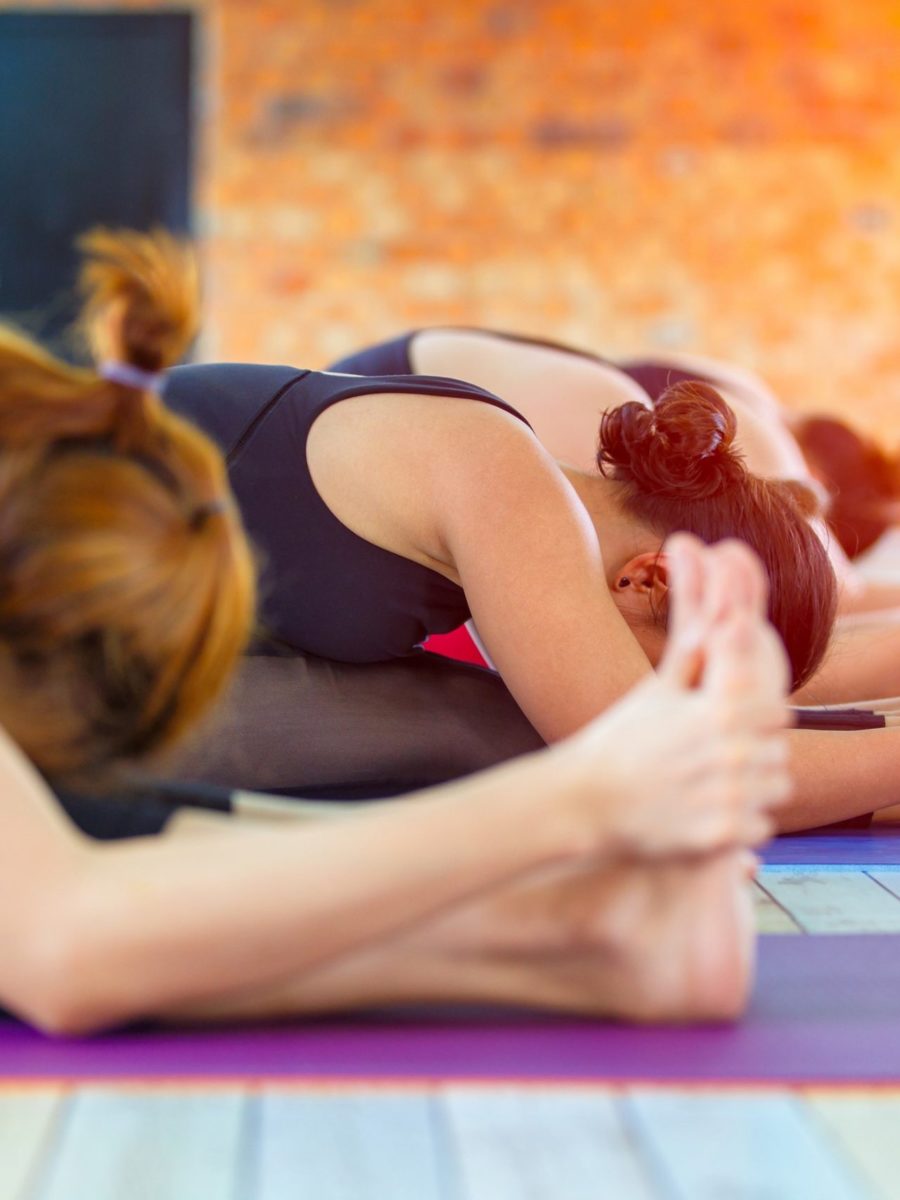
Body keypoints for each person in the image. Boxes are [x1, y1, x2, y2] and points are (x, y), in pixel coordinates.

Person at [0, 230, 791, 1034]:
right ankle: (591, 930)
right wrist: (576, 802)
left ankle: (609, 937)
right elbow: (57, 946)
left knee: (85, 819)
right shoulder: (495, 471)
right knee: (62, 892)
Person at [327, 326, 900, 701]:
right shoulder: (753, 437)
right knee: (744, 664)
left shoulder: (718, 417)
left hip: (372, 426)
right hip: (385, 446)